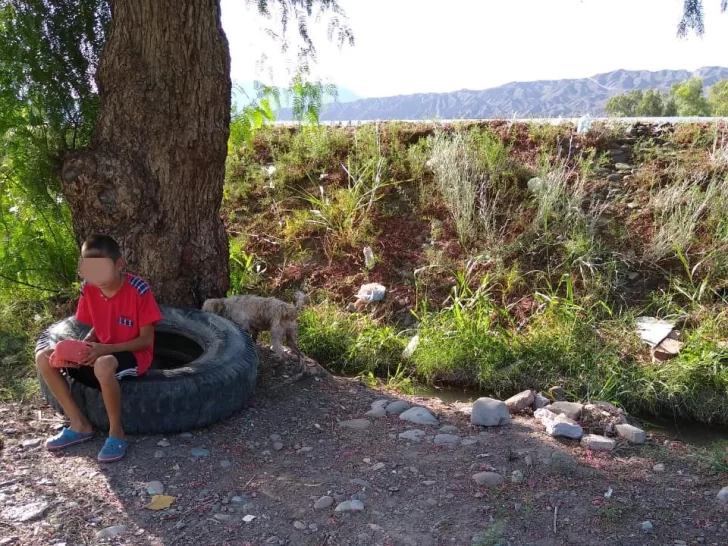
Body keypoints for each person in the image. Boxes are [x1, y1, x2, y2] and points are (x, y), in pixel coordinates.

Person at [36, 234, 162, 462]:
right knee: (45, 357)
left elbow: (145, 341)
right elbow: (98, 323)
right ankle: (79, 424)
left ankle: (116, 434)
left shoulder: (139, 289)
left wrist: (103, 350)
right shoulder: (89, 288)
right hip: (102, 349)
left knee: (104, 365)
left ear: (119, 264)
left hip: (133, 354)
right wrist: (85, 346)